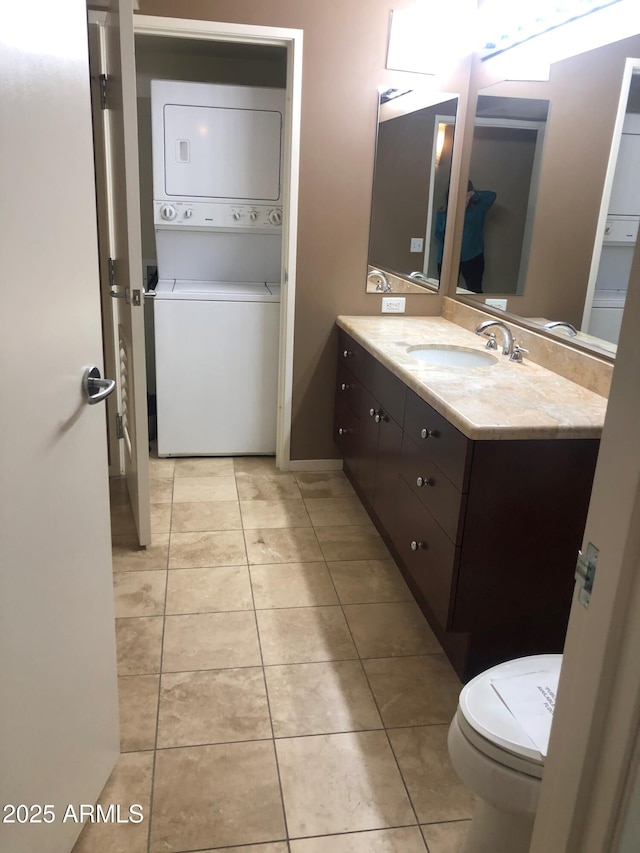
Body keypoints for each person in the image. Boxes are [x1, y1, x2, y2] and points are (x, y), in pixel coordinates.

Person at [435, 181, 497, 294]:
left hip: (473, 255)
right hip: (447, 257)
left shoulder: (478, 209)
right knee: (445, 292)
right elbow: (439, 235)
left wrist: (472, 194)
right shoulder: (443, 212)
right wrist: (453, 213)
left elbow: (492, 196)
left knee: (475, 291)